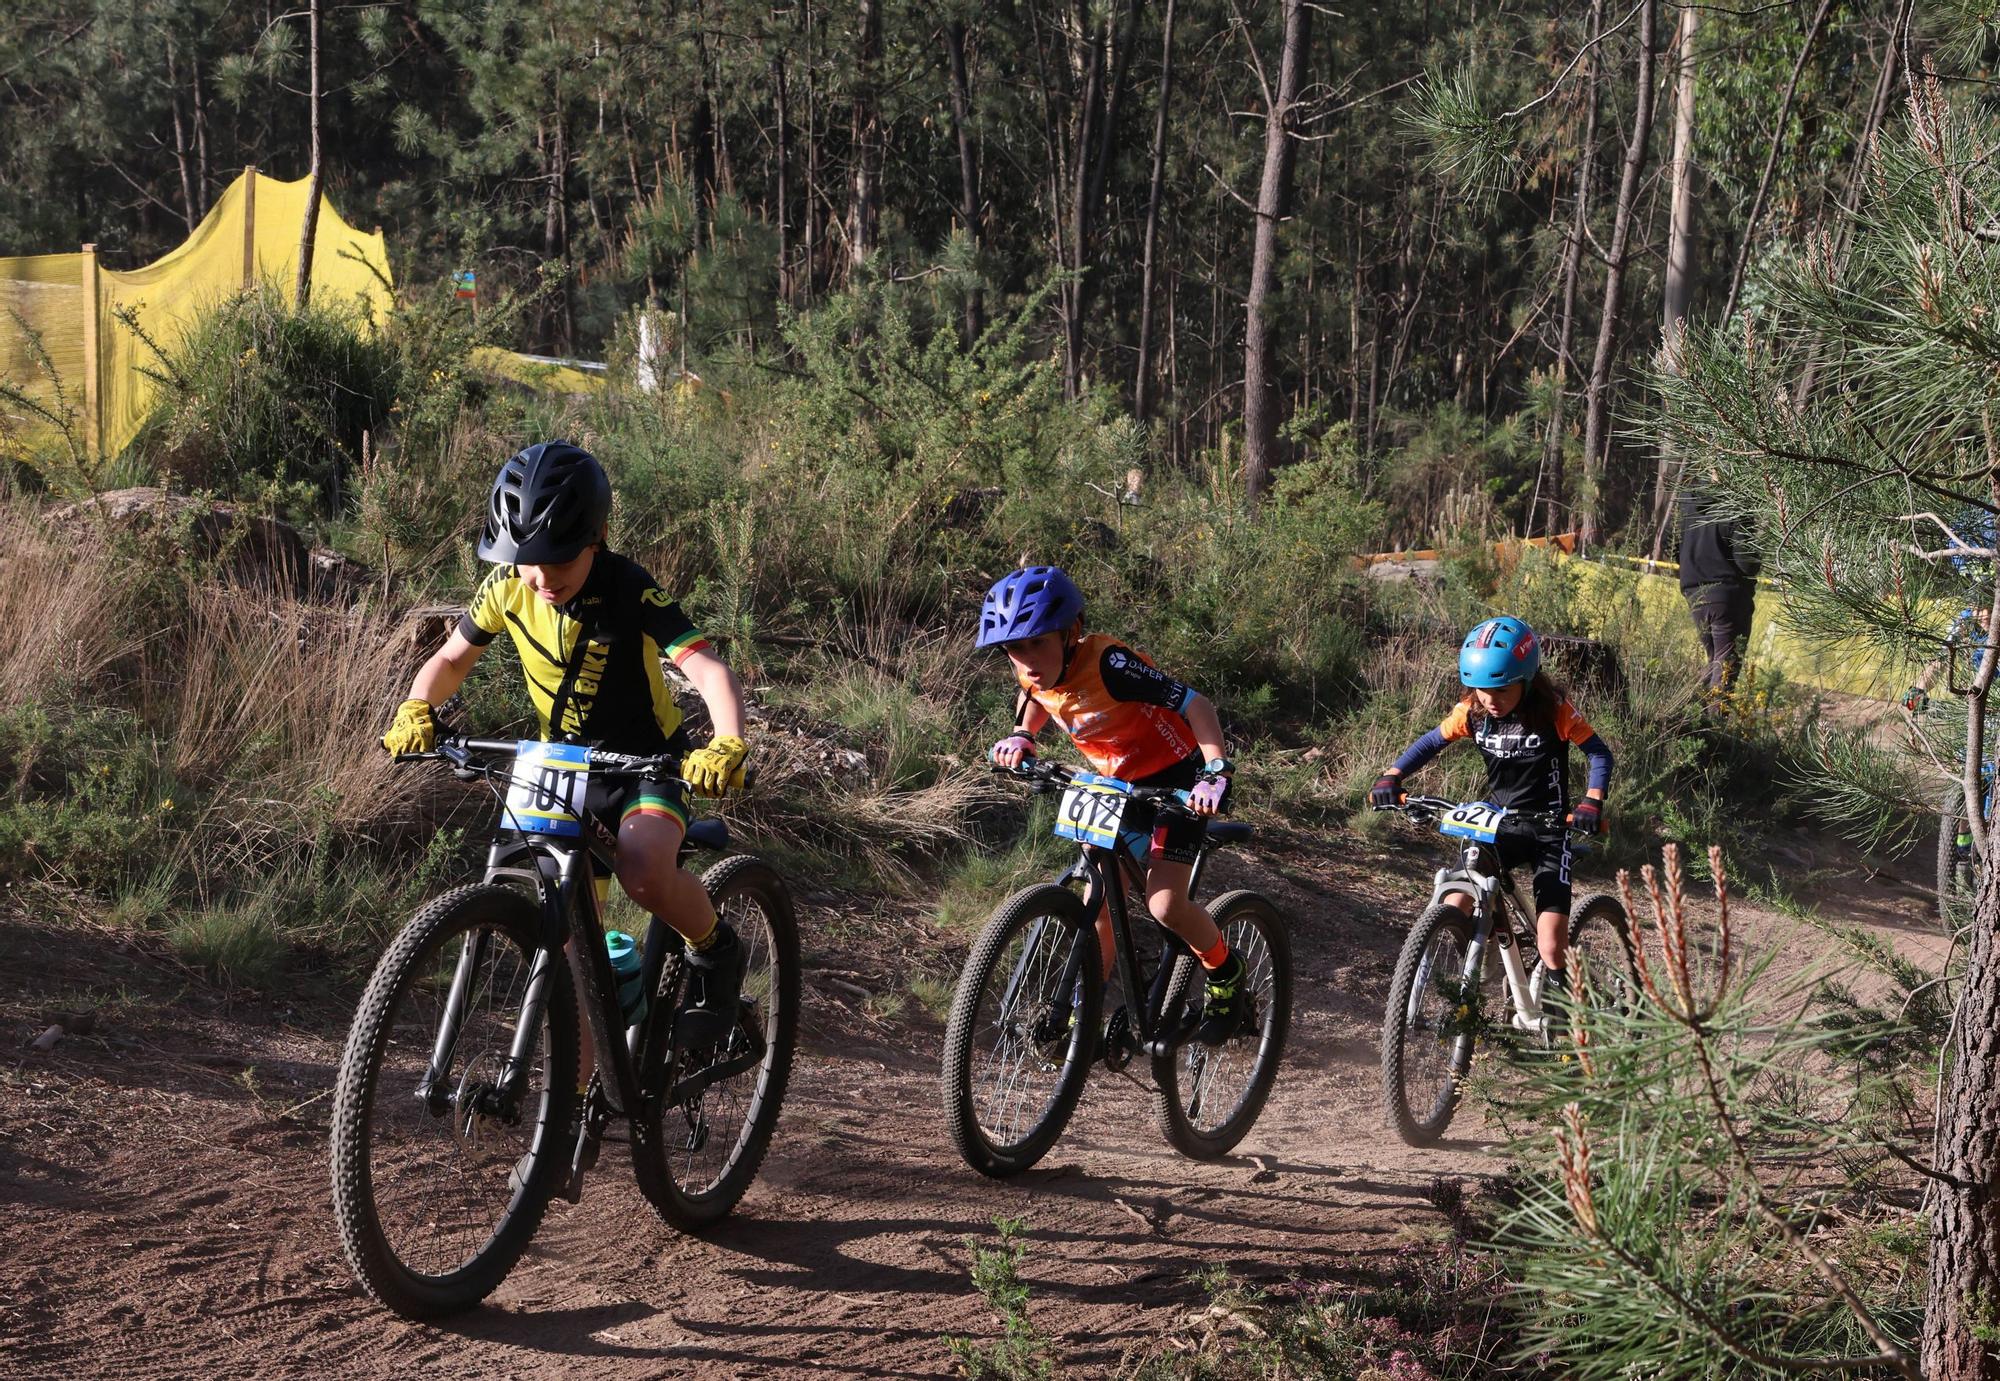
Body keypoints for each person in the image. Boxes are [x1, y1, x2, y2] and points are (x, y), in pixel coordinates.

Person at [381, 440, 751, 1185]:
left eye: (557, 559)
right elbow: (451, 659)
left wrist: (728, 740)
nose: (539, 576)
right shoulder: (506, 588)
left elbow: (706, 667)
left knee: (646, 870)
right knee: (572, 941)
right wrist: (418, 705)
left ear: (596, 540)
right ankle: (572, 1110)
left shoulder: (628, 588)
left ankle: (714, 943)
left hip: (645, 764)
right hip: (560, 768)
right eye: (525, 559)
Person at [978, 566, 1243, 1045]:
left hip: (1178, 778)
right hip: (1116, 782)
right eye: (1016, 648)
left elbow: (1195, 704)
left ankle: (1226, 974)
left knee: (1165, 905)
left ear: (1071, 632)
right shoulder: (1031, 669)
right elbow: (1036, 692)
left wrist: (1215, 770)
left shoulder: (1111, 666)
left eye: (1038, 643)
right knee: (1095, 899)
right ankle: (1085, 1015)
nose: (1027, 659)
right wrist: (1023, 734)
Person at [1369, 616, 1614, 1007]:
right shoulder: (1473, 711)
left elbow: (1599, 753)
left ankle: (1575, 1014)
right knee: (1456, 903)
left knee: (1551, 946)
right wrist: (1392, 775)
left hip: (1549, 830)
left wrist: (1591, 801)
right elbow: (1431, 743)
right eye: (1481, 689)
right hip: (1499, 823)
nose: (1489, 699)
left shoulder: (1553, 709)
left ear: (1527, 680)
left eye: (1500, 689)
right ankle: (1488, 964)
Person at [1678, 479, 1760, 696]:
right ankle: (1713, 725)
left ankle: (1691, 719)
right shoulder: (1737, 501)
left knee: (1714, 661)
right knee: (1725, 668)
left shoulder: (1687, 498)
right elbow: (1748, 563)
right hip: (1727, 597)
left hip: (1694, 592)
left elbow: (1673, 544)